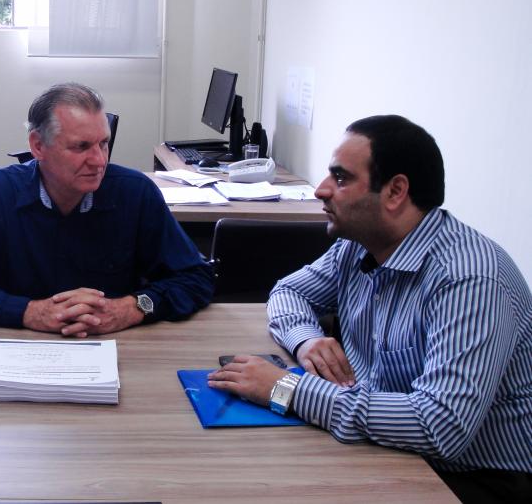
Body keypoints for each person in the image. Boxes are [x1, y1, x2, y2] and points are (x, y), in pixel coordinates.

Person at [207, 115, 531, 502]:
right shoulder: (360, 244)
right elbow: (289, 292)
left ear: (395, 192)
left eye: (341, 178)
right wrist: (307, 340)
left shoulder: (469, 279)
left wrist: (286, 388)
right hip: (387, 445)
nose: (321, 190)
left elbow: (441, 426)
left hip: (472, 478)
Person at [0, 83, 214, 337]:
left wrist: (133, 308)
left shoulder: (135, 193)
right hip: (21, 347)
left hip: (117, 348)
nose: (99, 161)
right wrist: (28, 311)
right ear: (38, 146)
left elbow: (197, 278)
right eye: (81, 147)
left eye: (104, 144)